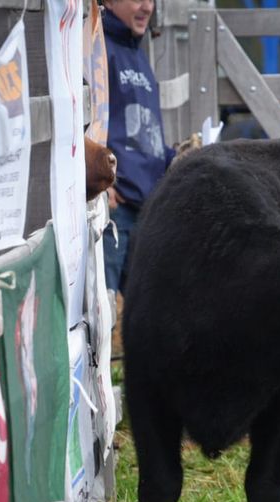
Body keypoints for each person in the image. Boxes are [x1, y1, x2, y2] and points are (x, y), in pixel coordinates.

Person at [101, 0, 174, 298]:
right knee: (105, 314)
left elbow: (146, 136)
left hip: (147, 209)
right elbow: (79, 123)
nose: (147, 6)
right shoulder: (97, 49)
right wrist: (97, 182)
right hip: (114, 211)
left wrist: (174, 158)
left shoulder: (138, 54)